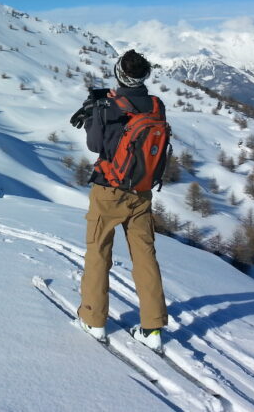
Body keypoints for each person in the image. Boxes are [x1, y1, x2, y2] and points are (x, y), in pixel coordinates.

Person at [69, 49, 169, 351]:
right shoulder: (156, 105)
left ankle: (94, 319)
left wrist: (95, 113)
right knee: (145, 255)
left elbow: (95, 144)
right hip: (142, 190)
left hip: (109, 189)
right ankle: (152, 328)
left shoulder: (108, 105)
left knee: (98, 251)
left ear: (119, 74)